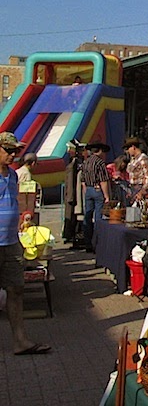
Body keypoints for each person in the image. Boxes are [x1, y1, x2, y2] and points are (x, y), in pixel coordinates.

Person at [0, 131, 51, 355]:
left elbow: (16, 204)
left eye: (16, 151)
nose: (13, 155)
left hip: (11, 242)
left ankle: (20, 341)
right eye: (8, 151)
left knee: (16, 290)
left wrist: (24, 217)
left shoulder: (12, 176)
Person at [81, 142, 112, 252]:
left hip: (88, 189)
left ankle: (88, 242)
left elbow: (83, 180)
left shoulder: (86, 162)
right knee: (99, 217)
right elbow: (103, 180)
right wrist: (106, 196)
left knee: (87, 216)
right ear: (99, 151)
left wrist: (86, 192)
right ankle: (97, 242)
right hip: (97, 189)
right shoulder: (100, 163)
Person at [63, 139, 84, 244]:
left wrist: (70, 196)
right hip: (71, 193)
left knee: (71, 214)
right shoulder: (73, 162)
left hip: (73, 193)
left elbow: (72, 181)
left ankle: (72, 234)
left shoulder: (75, 164)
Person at [124, 137, 148, 205]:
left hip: (140, 187)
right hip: (133, 188)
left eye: (128, 149)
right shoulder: (133, 159)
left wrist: (142, 191)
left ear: (133, 147)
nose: (128, 151)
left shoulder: (142, 158)